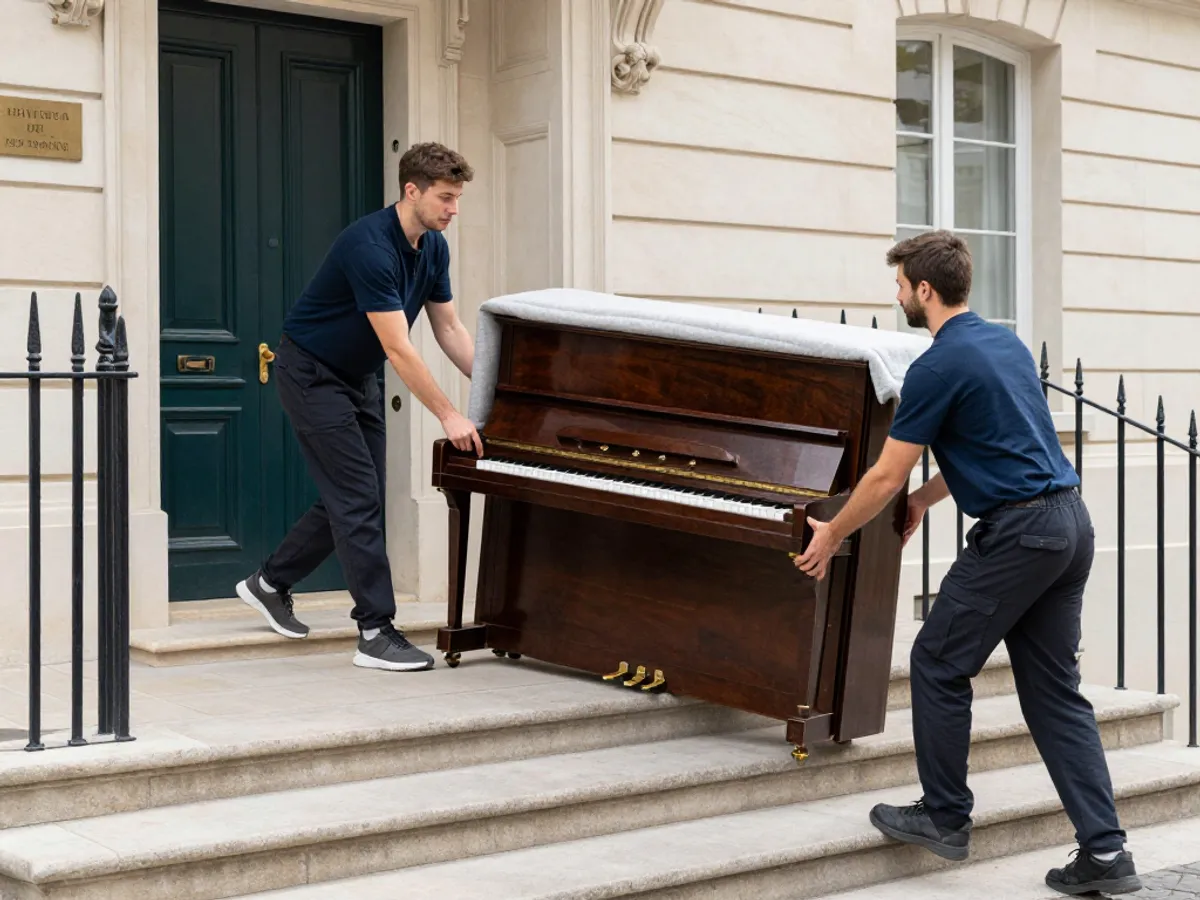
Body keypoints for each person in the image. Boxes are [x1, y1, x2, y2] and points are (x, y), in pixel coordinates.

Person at [792, 230, 1141, 895]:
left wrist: (834, 532)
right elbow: (1006, 440)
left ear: (925, 290)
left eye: (899, 285)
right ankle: (1106, 853)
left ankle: (946, 817)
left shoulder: (938, 364)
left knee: (937, 661)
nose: (896, 296)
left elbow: (884, 475)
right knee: (1054, 695)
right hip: (1070, 524)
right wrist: (929, 498)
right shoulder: (1003, 343)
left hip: (1021, 536)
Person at [235, 142, 483, 673]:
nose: (453, 209)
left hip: (356, 376)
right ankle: (374, 630)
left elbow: (449, 329)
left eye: (458, 198)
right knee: (356, 499)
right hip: (310, 373)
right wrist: (448, 413)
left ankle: (270, 581)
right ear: (411, 191)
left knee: (355, 494)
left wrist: (490, 388)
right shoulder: (369, 246)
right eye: (446, 197)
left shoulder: (434, 248)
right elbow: (399, 347)